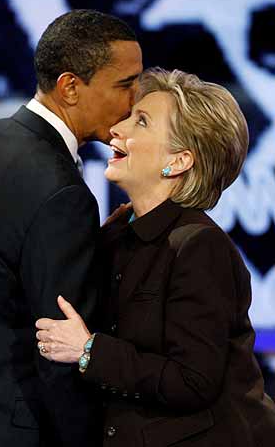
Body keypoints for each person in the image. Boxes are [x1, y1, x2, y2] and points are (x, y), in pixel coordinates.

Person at [36, 68, 275, 447]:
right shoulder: (118, 232)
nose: (118, 128)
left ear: (178, 161)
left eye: (141, 122)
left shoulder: (200, 247)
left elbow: (193, 381)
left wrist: (88, 351)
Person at [0, 9, 142, 447]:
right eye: (125, 85)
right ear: (70, 87)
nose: (135, 100)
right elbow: (59, 350)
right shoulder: (61, 192)